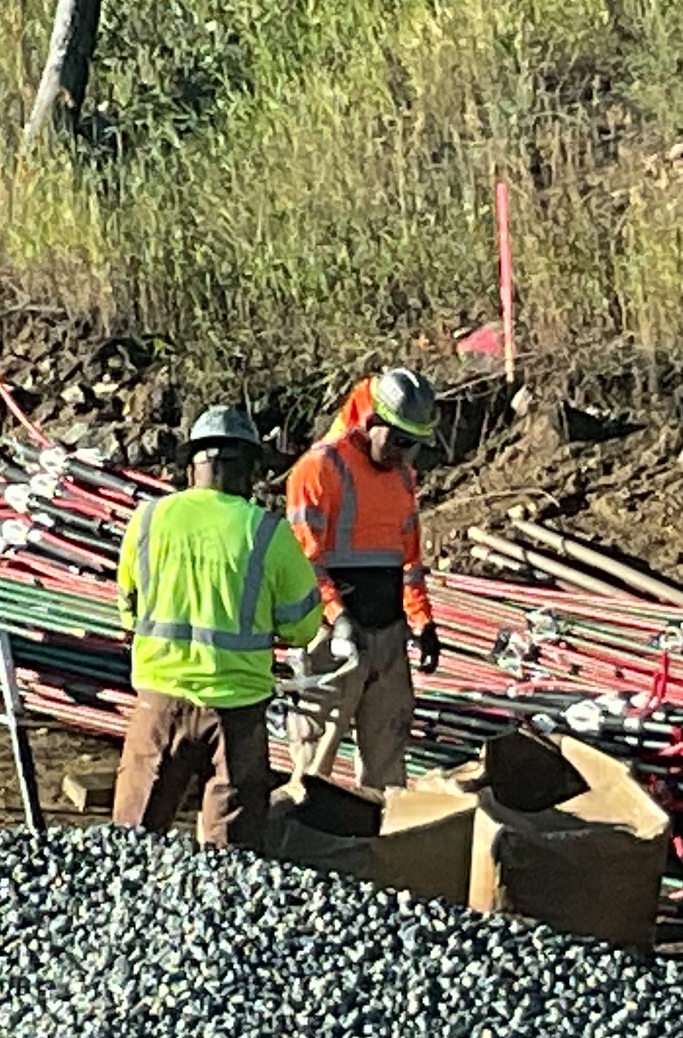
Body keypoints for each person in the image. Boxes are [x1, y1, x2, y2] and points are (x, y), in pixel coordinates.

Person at [110, 404, 324, 853]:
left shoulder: (148, 521)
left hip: (159, 703)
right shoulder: (267, 533)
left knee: (132, 842)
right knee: (232, 854)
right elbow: (304, 624)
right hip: (236, 711)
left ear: (193, 468)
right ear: (248, 469)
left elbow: (128, 610)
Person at [283, 365, 443, 794]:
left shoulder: (402, 478)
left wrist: (421, 620)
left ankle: (381, 842)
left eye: (412, 445)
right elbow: (304, 559)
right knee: (316, 751)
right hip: (333, 636)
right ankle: (301, 835)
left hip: (387, 633)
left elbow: (408, 558)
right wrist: (337, 616)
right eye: (398, 440)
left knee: (388, 754)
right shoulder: (320, 468)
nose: (403, 453)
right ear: (372, 423)